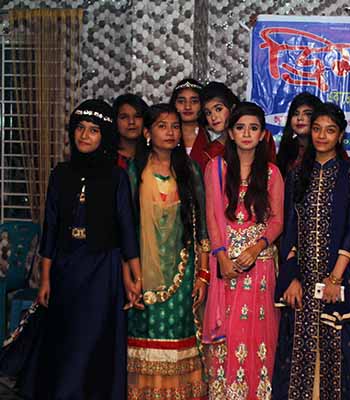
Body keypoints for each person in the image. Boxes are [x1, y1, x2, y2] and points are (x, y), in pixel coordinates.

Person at [34, 99, 140, 399]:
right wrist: (45, 279)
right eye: (80, 128)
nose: (84, 135)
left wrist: (135, 277)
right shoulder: (61, 174)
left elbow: (126, 229)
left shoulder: (116, 176)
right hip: (66, 267)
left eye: (94, 130)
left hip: (102, 269)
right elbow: (51, 228)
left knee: (94, 341)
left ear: (104, 136)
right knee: (66, 339)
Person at [273, 103, 350, 400]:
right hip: (301, 279)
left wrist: (335, 279)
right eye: (317, 129)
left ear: (340, 135)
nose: (322, 136)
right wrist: (291, 278)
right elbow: (289, 231)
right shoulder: (296, 175)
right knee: (297, 354)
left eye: (330, 130)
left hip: (337, 277)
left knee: (339, 353)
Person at [126, 103, 210, 399]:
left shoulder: (190, 170)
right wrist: (129, 275)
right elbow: (125, 228)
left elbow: (202, 228)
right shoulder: (135, 171)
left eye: (175, 126)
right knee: (145, 332)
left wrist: (202, 274)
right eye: (162, 126)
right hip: (142, 273)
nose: (171, 132)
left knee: (178, 333)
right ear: (147, 132)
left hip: (182, 271)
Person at [202, 102, 284, 399]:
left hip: (259, 266)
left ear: (262, 135)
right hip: (226, 265)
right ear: (231, 133)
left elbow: (277, 221)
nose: (247, 134)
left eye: (253, 128)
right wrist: (222, 257)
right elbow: (212, 218)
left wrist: (257, 247)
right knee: (230, 333)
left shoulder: (272, 173)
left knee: (258, 335)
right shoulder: (216, 168)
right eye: (240, 128)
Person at [190, 82, 277, 171]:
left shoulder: (262, 137)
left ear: (232, 108)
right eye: (208, 113)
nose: (213, 117)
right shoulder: (210, 152)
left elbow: (273, 173)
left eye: (218, 109)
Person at [276, 92, 322, 175]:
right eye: (295, 114)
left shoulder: (324, 149)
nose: (300, 118)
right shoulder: (287, 148)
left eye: (308, 114)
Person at [169, 78, 208, 156]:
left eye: (194, 101)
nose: (187, 107)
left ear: (202, 105)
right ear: (174, 104)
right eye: (181, 101)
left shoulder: (211, 136)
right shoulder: (167, 135)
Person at [113, 93, 148, 169]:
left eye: (137, 116)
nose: (131, 122)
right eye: (124, 117)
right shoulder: (107, 158)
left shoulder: (154, 157)